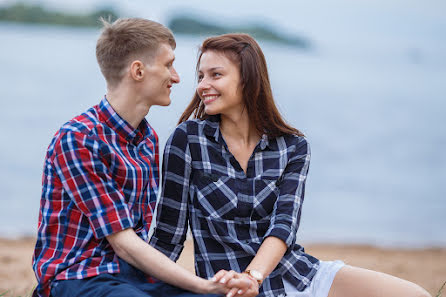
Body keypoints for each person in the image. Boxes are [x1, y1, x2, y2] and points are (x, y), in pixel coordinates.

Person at [149, 33, 432, 297]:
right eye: (201, 76)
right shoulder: (188, 140)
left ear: (247, 80)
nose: (201, 85)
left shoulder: (293, 147)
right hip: (231, 290)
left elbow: (283, 226)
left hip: (294, 275)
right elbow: (168, 236)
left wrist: (253, 276)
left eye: (216, 75)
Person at [32, 18, 251, 297]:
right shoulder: (78, 139)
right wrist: (203, 284)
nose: (176, 77)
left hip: (132, 278)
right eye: (168, 65)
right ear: (138, 70)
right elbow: (122, 241)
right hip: (77, 278)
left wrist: (213, 290)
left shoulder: (148, 140)